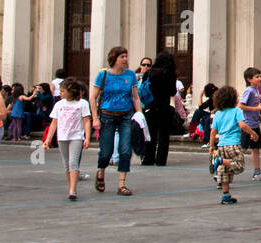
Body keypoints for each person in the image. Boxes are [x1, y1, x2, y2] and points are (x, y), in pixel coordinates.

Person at [90, 47, 141, 196]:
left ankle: (122, 184)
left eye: (126, 56)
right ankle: (101, 171)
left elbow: (135, 96)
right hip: (107, 115)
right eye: (122, 57)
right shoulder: (103, 75)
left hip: (126, 115)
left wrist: (139, 115)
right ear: (114, 58)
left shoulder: (130, 75)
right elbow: (92, 97)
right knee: (106, 152)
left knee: (125, 150)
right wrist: (95, 118)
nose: (125, 59)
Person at [46, 78, 92, 201]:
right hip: (62, 136)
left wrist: (87, 137)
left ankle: (73, 189)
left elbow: (86, 121)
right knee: (66, 164)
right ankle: (70, 186)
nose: (60, 93)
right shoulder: (59, 104)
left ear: (70, 91)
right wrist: (48, 138)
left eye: (62, 91)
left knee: (73, 162)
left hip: (76, 136)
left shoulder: (82, 103)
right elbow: (54, 122)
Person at [210, 84, 256, 204]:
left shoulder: (218, 113)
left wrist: (211, 146)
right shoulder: (237, 111)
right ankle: (221, 161)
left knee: (224, 172)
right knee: (239, 166)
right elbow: (242, 125)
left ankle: (226, 196)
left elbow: (213, 132)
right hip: (234, 144)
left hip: (221, 146)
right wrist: (253, 133)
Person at [139, 52, 177, 166]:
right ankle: (161, 159)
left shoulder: (149, 73)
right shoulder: (169, 74)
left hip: (150, 107)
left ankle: (148, 158)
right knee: (164, 135)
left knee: (150, 134)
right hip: (164, 107)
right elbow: (173, 92)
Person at [238, 67, 261, 176]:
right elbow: (241, 106)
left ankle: (257, 171)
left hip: (255, 124)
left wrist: (260, 117)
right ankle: (228, 165)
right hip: (248, 124)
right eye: (257, 77)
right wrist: (256, 109)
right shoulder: (249, 91)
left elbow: (254, 105)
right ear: (249, 79)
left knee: (256, 149)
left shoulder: (256, 90)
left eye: (260, 76)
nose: (259, 78)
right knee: (243, 148)